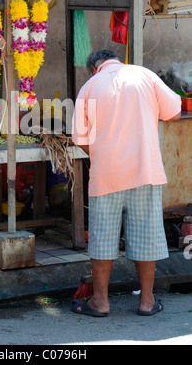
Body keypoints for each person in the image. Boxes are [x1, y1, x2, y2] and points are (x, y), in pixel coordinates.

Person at [71, 50, 181, 317]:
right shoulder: (145, 76)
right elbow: (175, 112)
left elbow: (80, 139)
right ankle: (146, 302)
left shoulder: (89, 87)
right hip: (145, 171)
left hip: (107, 174)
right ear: (117, 60)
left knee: (103, 238)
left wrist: (103, 153)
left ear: (93, 68)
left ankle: (100, 302)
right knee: (145, 237)